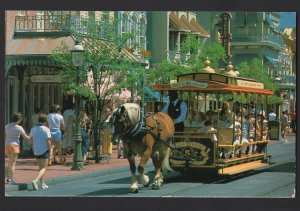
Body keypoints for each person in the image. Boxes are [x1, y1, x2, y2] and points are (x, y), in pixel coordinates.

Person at [5, 112, 30, 184]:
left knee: (10, 163)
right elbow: (26, 137)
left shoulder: (6, 126)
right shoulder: (19, 127)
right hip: (15, 145)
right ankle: (11, 179)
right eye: (21, 119)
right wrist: (32, 137)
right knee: (12, 164)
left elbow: (5, 136)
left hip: (7, 145)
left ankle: (9, 177)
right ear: (18, 119)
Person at [29, 113, 51, 191]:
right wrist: (50, 151)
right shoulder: (46, 129)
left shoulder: (33, 128)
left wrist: (34, 144)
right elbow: (48, 141)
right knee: (44, 168)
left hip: (36, 150)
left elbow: (30, 140)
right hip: (44, 150)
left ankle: (43, 184)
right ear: (45, 121)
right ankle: (36, 180)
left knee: (40, 168)